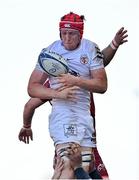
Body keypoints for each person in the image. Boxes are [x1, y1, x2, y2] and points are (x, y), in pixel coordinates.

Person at [21, 12, 128, 179]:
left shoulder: (89, 51)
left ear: (80, 34)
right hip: (63, 121)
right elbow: (31, 95)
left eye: (72, 34)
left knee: (86, 167)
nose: (67, 38)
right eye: (64, 33)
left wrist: (113, 45)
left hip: (85, 123)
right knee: (68, 165)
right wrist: (27, 125)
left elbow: (101, 79)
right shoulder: (52, 60)